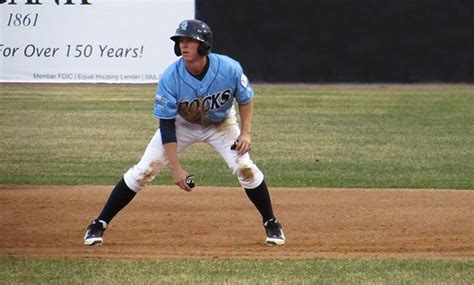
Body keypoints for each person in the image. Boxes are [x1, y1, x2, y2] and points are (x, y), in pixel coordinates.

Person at [83, 19, 285, 246]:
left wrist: (245, 133)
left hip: (221, 124)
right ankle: (99, 223)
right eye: (180, 41)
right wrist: (176, 169)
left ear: (204, 45)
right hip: (182, 125)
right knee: (143, 171)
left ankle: (271, 223)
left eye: (190, 41)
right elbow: (167, 124)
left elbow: (245, 99)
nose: (183, 45)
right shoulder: (170, 77)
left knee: (245, 167)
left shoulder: (229, 68)